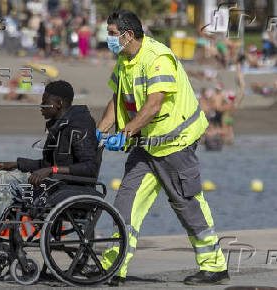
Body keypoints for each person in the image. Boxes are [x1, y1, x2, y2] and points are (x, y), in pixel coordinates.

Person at [91, 10, 228, 286]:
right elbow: (116, 99)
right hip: (147, 146)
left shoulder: (158, 58)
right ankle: (114, 268)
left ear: (128, 35)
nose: (108, 40)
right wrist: (99, 132)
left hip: (175, 144)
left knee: (187, 204)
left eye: (111, 34)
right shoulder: (124, 60)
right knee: (125, 207)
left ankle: (214, 267)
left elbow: (153, 104)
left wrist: (126, 132)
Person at [0, 80, 99, 252]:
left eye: (44, 102)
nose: (40, 106)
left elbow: (89, 168)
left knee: (7, 184)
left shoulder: (80, 125)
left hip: (69, 188)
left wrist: (52, 170)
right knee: (1, 177)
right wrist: (17, 164)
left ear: (58, 103)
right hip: (54, 184)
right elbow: (46, 165)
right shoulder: (58, 125)